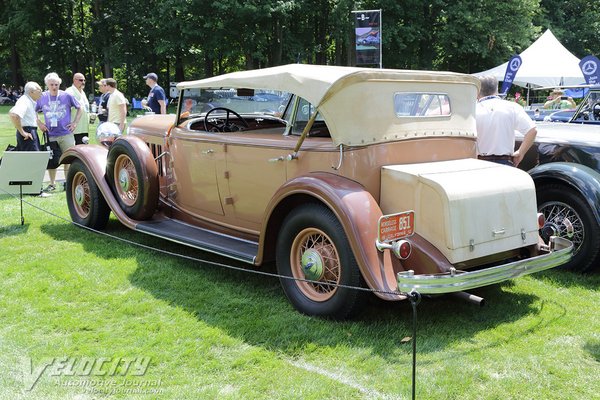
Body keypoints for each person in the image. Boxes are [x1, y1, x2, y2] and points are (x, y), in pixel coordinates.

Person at [475, 75, 537, 167]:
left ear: (478, 90)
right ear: (496, 89)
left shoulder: (472, 110)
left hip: (479, 163)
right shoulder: (512, 107)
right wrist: (521, 152)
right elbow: (532, 131)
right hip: (505, 163)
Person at [36, 72, 82, 191]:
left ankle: (68, 182)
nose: (54, 87)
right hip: (50, 134)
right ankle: (52, 184)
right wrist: (39, 123)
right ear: (47, 84)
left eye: (56, 84)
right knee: (52, 160)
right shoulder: (42, 97)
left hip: (66, 133)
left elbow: (80, 107)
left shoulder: (66, 96)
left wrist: (75, 122)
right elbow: (33, 110)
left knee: (68, 158)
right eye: (51, 84)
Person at [8, 81, 43, 151]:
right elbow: (14, 115)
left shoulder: (30, 101)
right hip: (27, 131)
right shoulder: (25, 101)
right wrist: (22, 132)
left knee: (33, 157)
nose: (41, 93)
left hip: (30, 131)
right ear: (31, 92)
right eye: (39, 90)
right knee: (33, 158)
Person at [65, 72, 90, 144]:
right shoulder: (69, 92)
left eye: (84, 80)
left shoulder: (82, 92)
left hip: (84, 129)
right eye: (81, 80)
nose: (83, 82)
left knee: (84, 151)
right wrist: (73, 123)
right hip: (74, 129)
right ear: (74, 80)